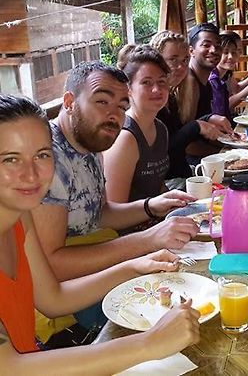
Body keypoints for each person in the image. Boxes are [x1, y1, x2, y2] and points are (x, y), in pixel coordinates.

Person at [0, 94, 200, 371]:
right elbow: (10, 368)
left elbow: (53, 299)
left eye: (42, 155)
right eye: (10, 159)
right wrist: (150, 343)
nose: (32, 174)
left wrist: (133, 268)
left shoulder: (20, 216)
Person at [31, 61, 199, 283]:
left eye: (122, 106)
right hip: (57, 293)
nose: (114, 115)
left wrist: (150, 206)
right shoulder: (47, 159)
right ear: (70, 103)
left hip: (92, 263)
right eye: (102, 101)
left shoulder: (91, 142)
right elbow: (49, 265)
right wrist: (148, 239)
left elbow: (99, 214)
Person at [104, 45, 172, 202]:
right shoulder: (125, 138)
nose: (157, 89)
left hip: (157, 218)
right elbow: (115, 208)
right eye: (146, 82)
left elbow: (158, 187)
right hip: (131, 225)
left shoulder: (160, 128)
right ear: (128, 89)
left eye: (162, 82)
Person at [150, 31, 223, 178]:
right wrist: (197, 126)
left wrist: (208, 118)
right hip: (171, 184)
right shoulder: (151, 102)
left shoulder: (171, 97)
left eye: (184, 61)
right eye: (173, 60)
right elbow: (165, 151)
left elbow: (179, 135)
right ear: (156, 61)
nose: (181, 67)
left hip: (185, 175)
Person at [181, 23, 233, 161]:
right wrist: (225, 155)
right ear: (191, 51)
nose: (214, 50)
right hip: (192, 164)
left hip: (205, 153)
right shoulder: (190, 82)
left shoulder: (206, 81)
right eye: (206, 45)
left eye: (218, 45)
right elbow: (187, 145)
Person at [215, 31, 248, 111]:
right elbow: (225, 105)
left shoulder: (227, 72)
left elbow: (236, 89)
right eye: (225, 52)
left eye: (237, 51)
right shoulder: (213, 77)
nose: (231, 56)